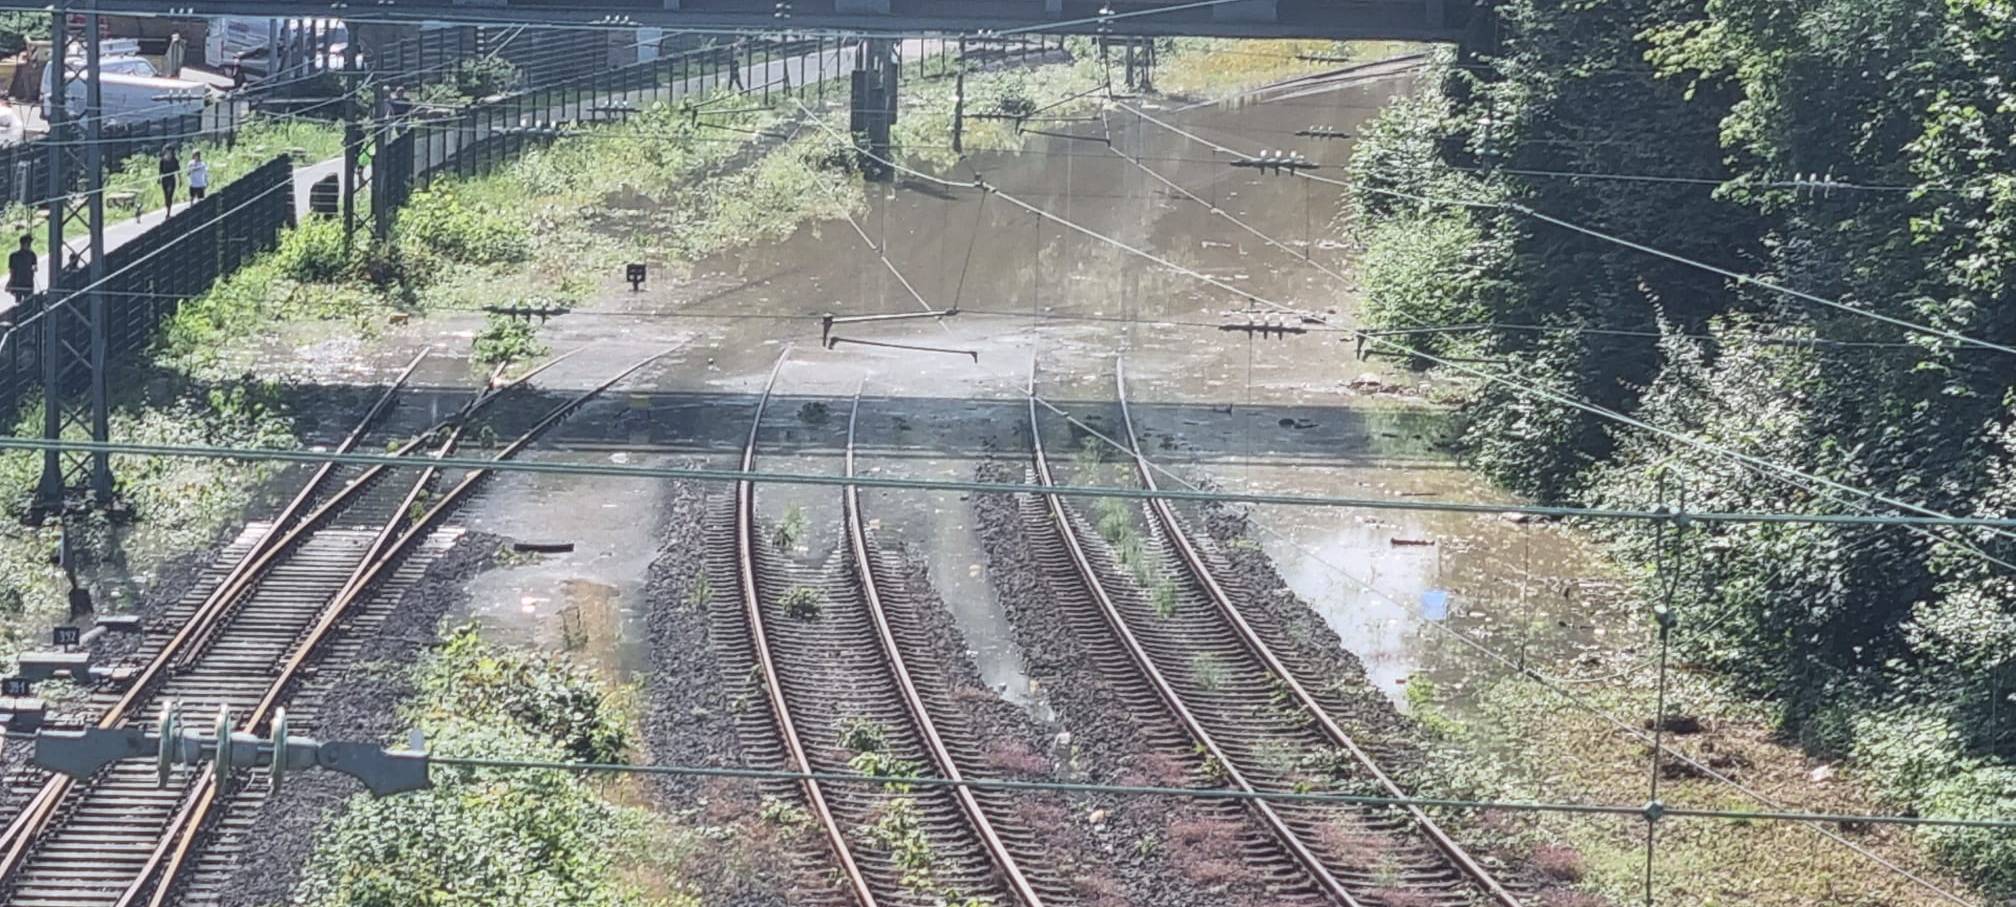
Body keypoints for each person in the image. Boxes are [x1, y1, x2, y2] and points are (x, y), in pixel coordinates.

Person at [7, 235, 35, 303]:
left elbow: (12, 270)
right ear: (23, 244)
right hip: (24, 283)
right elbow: (12, 271)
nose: (29, 245)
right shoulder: (31, 255)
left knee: (21, 301)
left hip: (22, 282)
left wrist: (10, 282)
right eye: (28, 244)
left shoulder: (13, 255)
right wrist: (10, 282)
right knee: (25, 301)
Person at [158, 147, 180, 216]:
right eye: (167, 152)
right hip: (164, 179)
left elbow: (178, 170)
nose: (168, 153)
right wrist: (159, 178)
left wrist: (180, 179)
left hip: (171, 179)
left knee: (170, 195)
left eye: (170, 152)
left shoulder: (175, 160)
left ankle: (168, 212)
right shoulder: (162, 161)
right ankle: (167, 207)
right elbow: (160, 171)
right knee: (166, 196)